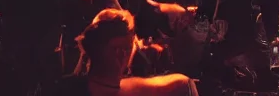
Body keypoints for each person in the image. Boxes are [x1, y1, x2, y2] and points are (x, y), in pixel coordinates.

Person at [56, 8, 197, 95]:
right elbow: (184, 83)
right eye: (117, 49)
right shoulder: (126, 89)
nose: (125, 55)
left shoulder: (68, 85)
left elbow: (185, 83)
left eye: (129, 48)